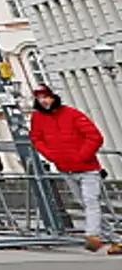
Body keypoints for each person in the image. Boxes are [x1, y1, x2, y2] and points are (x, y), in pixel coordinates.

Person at [27, 85, 111, 252]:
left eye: (46, 97)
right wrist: (51, 155)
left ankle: (92, 235)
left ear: (53, 97)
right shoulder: (37, 118)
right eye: (39, 98)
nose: (43, 101)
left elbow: (95, 136)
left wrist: (81, 156)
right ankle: (111, 236)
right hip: (65, 168)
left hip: (87, 168)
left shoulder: (72, 114)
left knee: (90, 200)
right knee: (83, 202)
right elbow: (36, 138)